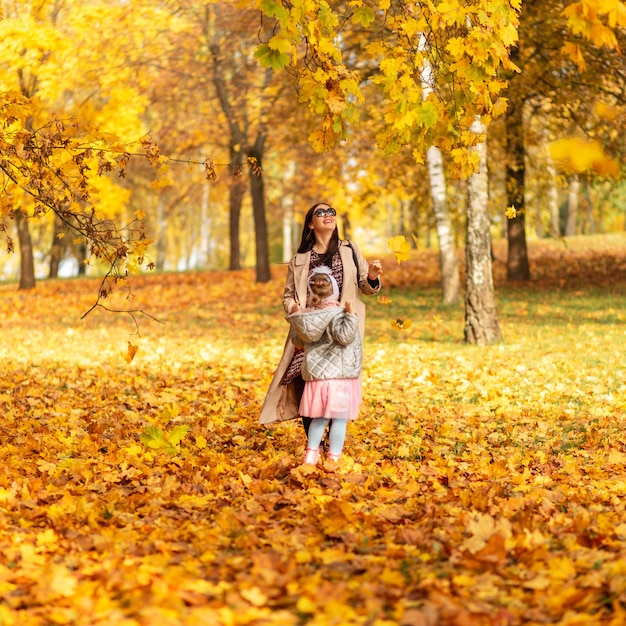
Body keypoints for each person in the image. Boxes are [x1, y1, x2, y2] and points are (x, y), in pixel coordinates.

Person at [259, 201, 383, 442]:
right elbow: (287, 295)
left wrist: (373, 277)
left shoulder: (349, 249)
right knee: (308, 381)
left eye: (331, 212)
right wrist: (295, 309)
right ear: (310, 223)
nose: (328, 215)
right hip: (312, 330)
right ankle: (313, 442)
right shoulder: (300, 258)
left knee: (338, 383)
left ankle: (332, 442)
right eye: (321, 212)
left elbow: (366, 289)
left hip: (341, 329)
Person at [286, 267, 362, 463]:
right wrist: (351, 315)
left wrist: (296, 315)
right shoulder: (339, 314)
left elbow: (298, 341)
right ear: (335, 290)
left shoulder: (306, 317)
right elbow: (345, 337)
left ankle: (311, 453)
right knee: (338, 419)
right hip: (339, 377)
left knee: (319, 418)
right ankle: (334, 458)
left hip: (317, 377)